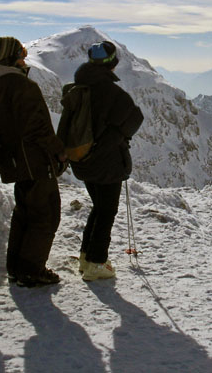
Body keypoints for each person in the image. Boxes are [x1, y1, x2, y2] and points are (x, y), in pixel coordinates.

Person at [0, 37, 67, 287]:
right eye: (21, 52)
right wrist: (58, 151)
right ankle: (31, 270)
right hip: (34, 161)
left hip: (17, 161)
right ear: (11, 58)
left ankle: (17, 267)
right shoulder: (22, 85)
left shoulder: (3, 82)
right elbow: (37, 127)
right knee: (45, 214)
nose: (24, 57)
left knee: (25, 212)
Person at [62, 41, 143, 281]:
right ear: (113, 63)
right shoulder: (111, 92)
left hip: (82, 160)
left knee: (99, 207)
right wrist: (117, 136)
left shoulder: (76, 89)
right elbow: (134, 118)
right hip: (107, 162)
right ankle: (96, 263)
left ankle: (87, 257)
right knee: (107, 211)